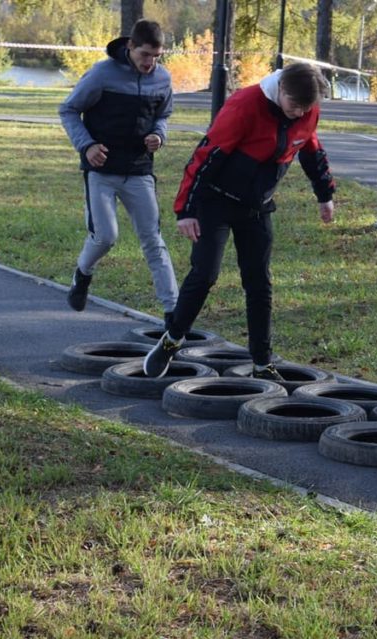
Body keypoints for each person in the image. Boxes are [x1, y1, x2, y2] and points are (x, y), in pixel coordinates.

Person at [143, 62, 336, 381]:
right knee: (205, 274)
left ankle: (262, 361)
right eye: (294, 105)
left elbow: (311, 149)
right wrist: (186, 210)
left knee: (259, 282)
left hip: (257, 206)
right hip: (215, 200)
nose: (300, 113)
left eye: (307, 107)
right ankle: (172, 339)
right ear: (282, 90)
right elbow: (205, 157)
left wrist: (324, 194)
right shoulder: (245, 106)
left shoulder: (306, 111)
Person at [59, 19, 179, 323]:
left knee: (153, 240)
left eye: (156, 56)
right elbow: (69, 109)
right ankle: (82, 274)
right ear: (130, 47)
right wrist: (87, 146)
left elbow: (163, 115)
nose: (150, 63)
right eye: (145, 55)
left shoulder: (162, 79)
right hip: (101, 170)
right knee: (106, 237)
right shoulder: (102, 74)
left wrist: (159, 135)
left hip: (139, 171)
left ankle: (173, 313)